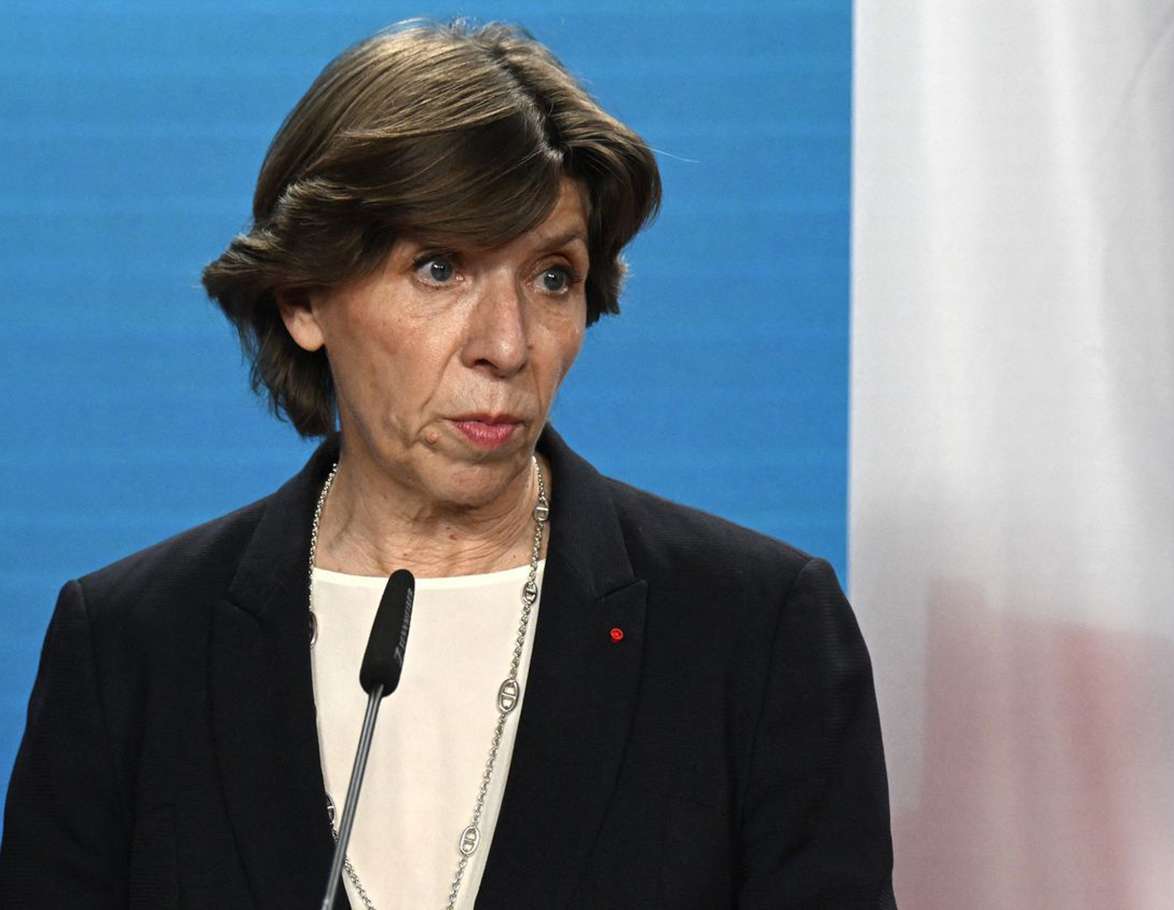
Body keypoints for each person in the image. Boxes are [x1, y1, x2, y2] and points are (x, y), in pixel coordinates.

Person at [0, 19, 894, 909]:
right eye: (439, 268)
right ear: (304, 298)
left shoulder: (755, 635)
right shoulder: (130, 651)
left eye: (552, 277)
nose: (507, 344)